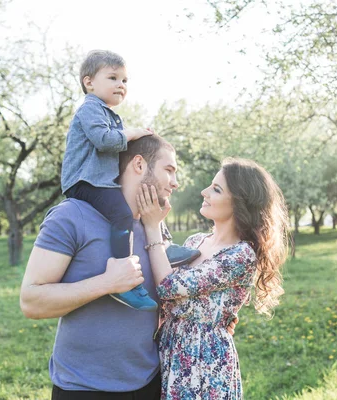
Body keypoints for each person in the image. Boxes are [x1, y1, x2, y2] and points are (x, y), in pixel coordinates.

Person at [21, 135, 236, 399]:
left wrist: (217, 317)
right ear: (139, 165)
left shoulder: (155, 227)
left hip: (150, 381)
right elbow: (31, 301)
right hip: (84, 388)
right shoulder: (72, 215)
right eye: (169, 170)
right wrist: (106, 283)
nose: (176, 182)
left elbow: (170, 294)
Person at [137, 158, 290, 399]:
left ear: (239, 202)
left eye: (216, 189)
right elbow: (166, 300)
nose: (204, 192)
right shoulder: (194, 241)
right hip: (171, 353)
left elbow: (168, 287)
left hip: (205, 366)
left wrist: (152, 226)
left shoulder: (241, 255)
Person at [60, 50, 198, 311]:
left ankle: (165, 246)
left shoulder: (108, 114)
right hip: (85, 181)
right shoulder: (90, 109)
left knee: (146, 194)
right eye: (113, 78)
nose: (120, 85)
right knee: (122, 214)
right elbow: (104, 140)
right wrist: (133, 132)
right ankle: (124, 279)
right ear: (89, 82)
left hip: (101, 179)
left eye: (125, 80)